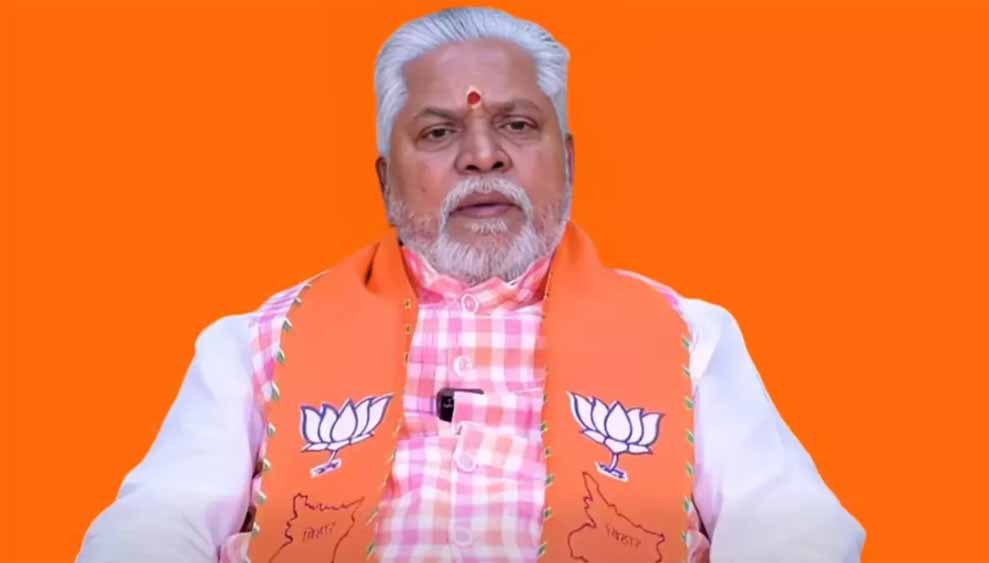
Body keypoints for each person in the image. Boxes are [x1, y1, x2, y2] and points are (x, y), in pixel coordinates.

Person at [77, 7, 865, 563]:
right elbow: (155, 522)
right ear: (386, 180)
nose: (483, 156)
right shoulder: (256, 343)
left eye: (517, 125)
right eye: (439, 131)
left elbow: (790, 521)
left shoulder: (689, 337)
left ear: (569, 161)